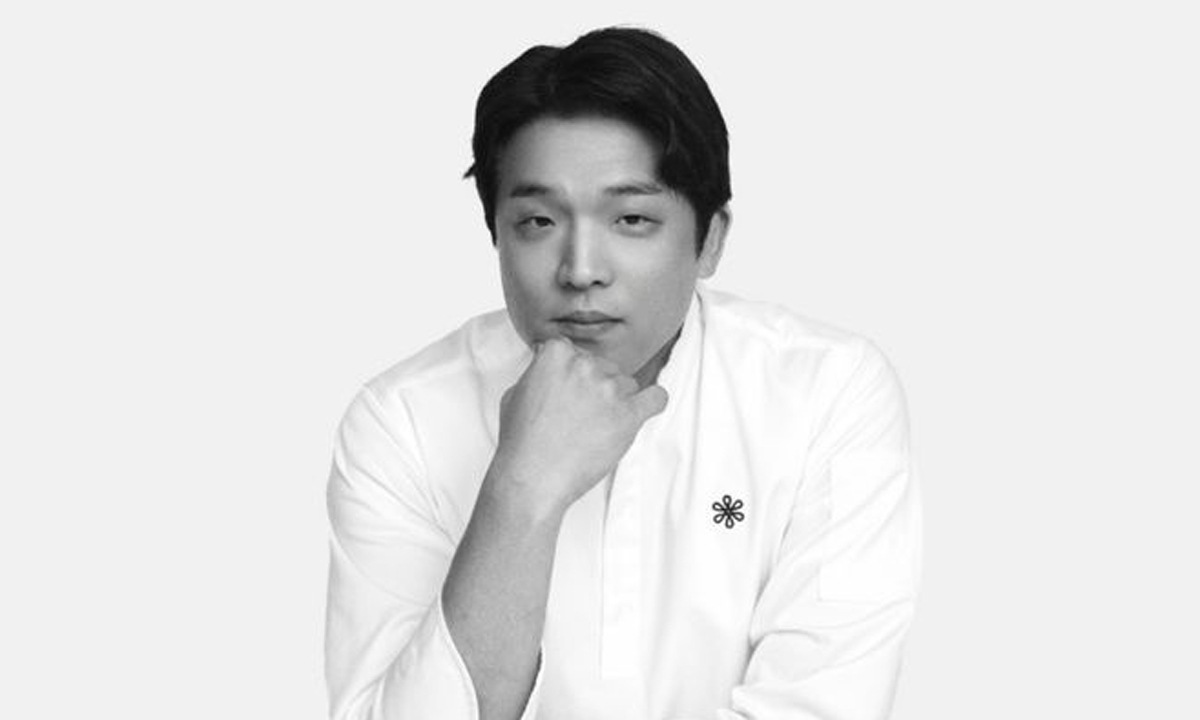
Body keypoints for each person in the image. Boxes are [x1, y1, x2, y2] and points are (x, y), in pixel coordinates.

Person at [325, 26, 921, 720]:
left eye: (631, 218)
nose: (581, 270)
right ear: (496, 234)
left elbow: (821, 706)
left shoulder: (827, 392)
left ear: (711, 239)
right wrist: (522, 489)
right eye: (538, 222)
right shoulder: (402, 420)